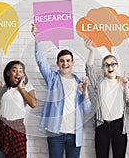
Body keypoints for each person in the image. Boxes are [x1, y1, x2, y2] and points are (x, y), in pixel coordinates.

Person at [31, 24, 92, 158]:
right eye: (62, 61)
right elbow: (40, 60)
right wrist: (37, 38)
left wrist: (85, 94)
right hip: (55, 133)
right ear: (58, 63)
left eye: (68, 61)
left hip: (74, 134)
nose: (65, 63)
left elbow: (87, 110)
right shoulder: (52, 79)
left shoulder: (80, 83)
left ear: (73, 62)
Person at [0, 39, 36, 158]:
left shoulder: (28, 87)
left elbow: (33, 104)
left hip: (18, 129)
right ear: (8, 73)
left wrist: (20, 88)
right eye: (14, 70)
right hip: (1, 128)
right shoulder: (3, 88)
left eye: (20, 71)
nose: (18, 73)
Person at [84, 39, 129, 158]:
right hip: (102, 125)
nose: (110, 67)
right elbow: (89, 69)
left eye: (113, 64)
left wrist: (126, 87)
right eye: (106, 65)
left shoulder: (124, 81)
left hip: (119, 126)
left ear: (117, 66)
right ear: (103, 68)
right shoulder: (99, 82)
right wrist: (91, 51)